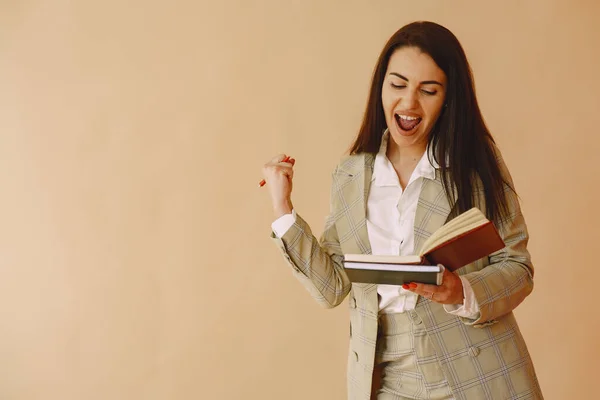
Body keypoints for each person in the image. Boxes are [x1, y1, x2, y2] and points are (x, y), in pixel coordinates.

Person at [261, 21, 543, 400]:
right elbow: (332, 287)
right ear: (380, 86)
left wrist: (461, 290)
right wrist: (283, 208)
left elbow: (518, 268)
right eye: (397, 85)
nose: (409, 104)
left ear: (448, 98)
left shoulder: (474, 165)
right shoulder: (351, 174)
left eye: (428, 91)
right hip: (385, 373)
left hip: (472, 367)